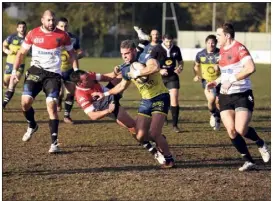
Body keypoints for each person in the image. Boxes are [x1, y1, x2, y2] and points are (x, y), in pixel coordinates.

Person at [93, 40, 175, 168]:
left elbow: (154, 67)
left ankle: (169, 158)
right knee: (140, 135)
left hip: (160, 97)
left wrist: (138, 73)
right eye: (122, 54)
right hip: (146, 100)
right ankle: (159, 138)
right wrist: (105, 94)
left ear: (134, 51)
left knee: (153, 132)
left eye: (127, 53)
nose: (124, 56)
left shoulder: (145, 57)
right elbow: (121, 86)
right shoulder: (125, 68)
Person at [10, 10, 79, 153]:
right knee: (25, 102)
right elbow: (21, 53)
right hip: (36, 71)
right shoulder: (33, 34)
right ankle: (32, 124)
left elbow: (72, 53)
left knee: (52, 106)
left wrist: (76, 70)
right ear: (42, 20)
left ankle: (54, 143)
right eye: (48, 20)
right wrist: (14, 72)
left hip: (53, 75)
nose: (51, 23)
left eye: (53, 20)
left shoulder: (63, 35)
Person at [207, 22, 270, 171]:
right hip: (225, 95)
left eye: (218, 35)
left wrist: (232, 80)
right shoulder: (221, 51)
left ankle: (260, 143)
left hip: (242, 93)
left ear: (227, 36)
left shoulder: (240, 48)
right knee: (231, 130)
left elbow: (251, 68)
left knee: (241, 129)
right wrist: (216, 81)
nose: (216, 38)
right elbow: (226, 73)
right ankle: (249, 161)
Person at [70, 69, 166, 165]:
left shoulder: (89, 75)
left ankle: (155, 138)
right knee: (133, 127)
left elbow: (107, 76)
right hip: (106, 104)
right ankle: (155, 150)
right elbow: (92, 116)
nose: (91, 78)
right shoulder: (81, 96)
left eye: (89, 76)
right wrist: (108, 110)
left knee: (122, 74)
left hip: (107, 93)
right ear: (80, 83)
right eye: (87, 79)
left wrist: (117, 71)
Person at [150, 34, 184, 133]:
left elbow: (180, 61)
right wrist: (159, 70)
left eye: (170, 41)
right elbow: (151, 63)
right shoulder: (157, 49)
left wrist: (180, 68)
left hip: (172, 77)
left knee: (174, 98)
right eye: (167, 42)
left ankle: (175, 125)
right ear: (163, 40)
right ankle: (164, 118)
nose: (169, 44)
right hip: (159, 78)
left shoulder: (176, 49)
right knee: (162, 100)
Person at [56, 17, 84, 124]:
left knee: (71, 92)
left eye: (66, 26)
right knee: (59, 93)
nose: (64, 28)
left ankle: (67, 115)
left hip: (69, 69)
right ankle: (58, 102)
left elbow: (79, 51)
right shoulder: (53, 37)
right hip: (56, 69)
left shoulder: (74, 38)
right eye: (61, 26)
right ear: (57, 26)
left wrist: (79, 55)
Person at [193, 34, 221, 131]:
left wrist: (219, 67)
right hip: (207, 81)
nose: (211, 44)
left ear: (216, 43)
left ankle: (217, 116)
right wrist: (197, 75)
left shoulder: (220, 53)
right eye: (209, 43)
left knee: (218, 102)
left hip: (220, 81)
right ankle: (213, 114)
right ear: (206, 43)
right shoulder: (200, 54)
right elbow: (196, 66)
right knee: (212, 99)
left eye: (213, 43)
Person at [3, 21, 27, 109]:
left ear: (25, 28)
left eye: (23, 27)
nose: (22, 29)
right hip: (9, 63)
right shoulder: (11, 37)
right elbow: (3, 45)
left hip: (20, 65)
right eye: (20, 27)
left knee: (13, 83)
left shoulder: (28, 39)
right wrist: (7, 51)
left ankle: (3, 104)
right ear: (17, 28)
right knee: (5, 82)